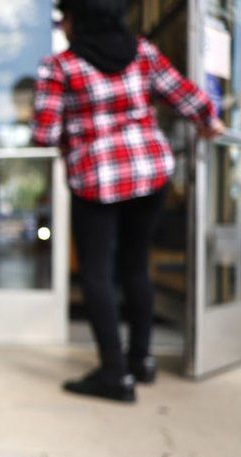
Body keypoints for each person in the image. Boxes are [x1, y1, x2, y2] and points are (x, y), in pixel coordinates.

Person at [32, 0, 224, 402]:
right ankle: (142, 360)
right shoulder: (142, 51)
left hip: (96, 178)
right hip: (149, 170)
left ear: (78, 19)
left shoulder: (60, 66)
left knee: (97, 273)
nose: (62, 24)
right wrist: (210, 121)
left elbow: (44, 133)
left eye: (64, 16)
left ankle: (114, 375)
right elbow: (186, 96)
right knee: (136, 264)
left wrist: (74, 137)